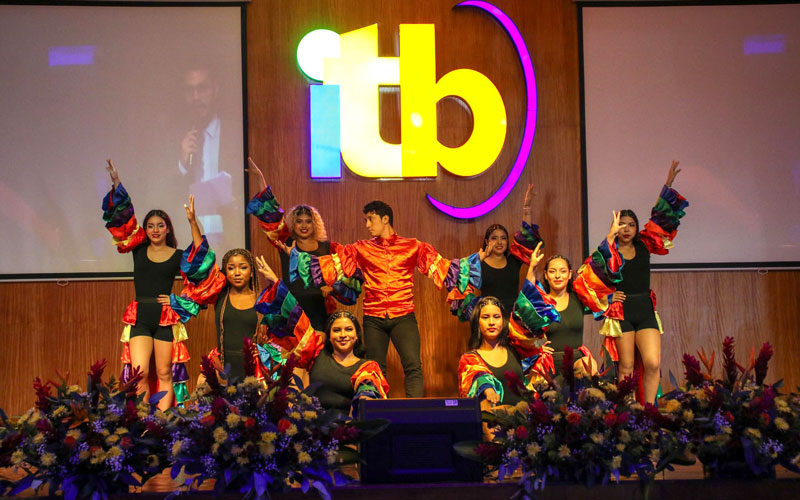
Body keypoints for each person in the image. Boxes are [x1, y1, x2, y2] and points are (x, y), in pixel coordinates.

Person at [284, 199, 481, 398]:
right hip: (374, 318)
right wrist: (298, 258)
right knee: (375, 368)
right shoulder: (361, 248)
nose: (367, 225)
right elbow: (331, 264)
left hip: (403, 315)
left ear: (385, 219)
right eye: (365, 220)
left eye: (371, 219)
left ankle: (415, 411)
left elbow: (443, 268)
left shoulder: (413, 246)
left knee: (413, 365)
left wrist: (475, 262)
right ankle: (377, 412)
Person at [574, 160, 687, 403]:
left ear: (637, 228)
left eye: (631, 225)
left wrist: (668, 184)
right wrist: (609, 297)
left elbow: (660, 218)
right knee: (625, 366)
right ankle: (627, 412)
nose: (626, 229)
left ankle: (649, 411)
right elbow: (588, 275)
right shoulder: (609, 251)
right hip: (622, 312)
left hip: (644, 309)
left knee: (652, 362)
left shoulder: (645, 243)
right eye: (621, 225)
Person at [102, 160, 201, 409]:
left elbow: (201, 264)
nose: (155, 229)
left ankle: (164, 421)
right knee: (140, 374)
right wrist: (116, 182)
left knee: (165, 372)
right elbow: (124, 219)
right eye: (150, 226)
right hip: (141, 317)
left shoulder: (178, 255)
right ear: (144, 230)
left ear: (167, 229)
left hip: (165, 318)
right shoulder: (137, 250)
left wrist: (192, 222)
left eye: (160, 225)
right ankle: (143, 421)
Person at [254, 258, 389, 415]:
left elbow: (368, 390)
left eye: (348, 329)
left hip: (348, 426)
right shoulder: (316, 353)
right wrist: (276, 283)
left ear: (356, 335)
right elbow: (296, 321)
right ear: (329, 336)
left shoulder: (367, 367)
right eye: (337, 330)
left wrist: (363, 402)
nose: (343, 335)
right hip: (314, 426)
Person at [245, 158, 349, 331]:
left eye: (308, 221)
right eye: (299, 221)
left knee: (319, 346)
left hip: (319, 309)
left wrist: (331, 287)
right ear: (293, 224)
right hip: (291, 307)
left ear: (315, 224)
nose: (303, 225)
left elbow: (344, 276)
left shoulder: (328, 247)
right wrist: (259, 179)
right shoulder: (285, 242)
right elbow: (270, 213)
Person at [457, 243, 559, 408]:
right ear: (477, 322)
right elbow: (477, 375)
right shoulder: (469, 359)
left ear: (503, 321)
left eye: (496, 317)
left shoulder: (516, 349)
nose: (491, 322)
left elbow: (525, 306)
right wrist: (487, 388)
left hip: (523, 419)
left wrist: (532, 268)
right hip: (494, 420)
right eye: (485, 317)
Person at [168, 245, 279, 381]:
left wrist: (275, 281)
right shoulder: (220, 296)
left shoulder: (263, 300)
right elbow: (200, 261)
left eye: (243, 267)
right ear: (225, 272)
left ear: (251, 272)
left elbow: (289, 318)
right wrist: (193, 225)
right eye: (231, 268)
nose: (237, 273)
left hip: (253, 370)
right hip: (224, 368)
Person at [479, 185, 542, 315]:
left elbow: (526, 234)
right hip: (489, 317)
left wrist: (527, 208)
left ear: (507, 241)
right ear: (486, 241)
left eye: (503, 238)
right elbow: (462, 283)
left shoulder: (514, 260)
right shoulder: (479, 263)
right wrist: (479, 259)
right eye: (494, 238)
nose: (499, 242)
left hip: (513, 318)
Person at [541, 255, 598, 377]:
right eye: (552, 271)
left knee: (590, 365)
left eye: (563, 271)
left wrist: (611, 298)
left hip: (576, 361)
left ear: (570, 274)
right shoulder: (539, 302)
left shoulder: (579, 297)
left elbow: (600, 284)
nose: (557, 276)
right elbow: (521, 333)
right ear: (546, 275)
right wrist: (536, 346)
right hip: (549, 362)